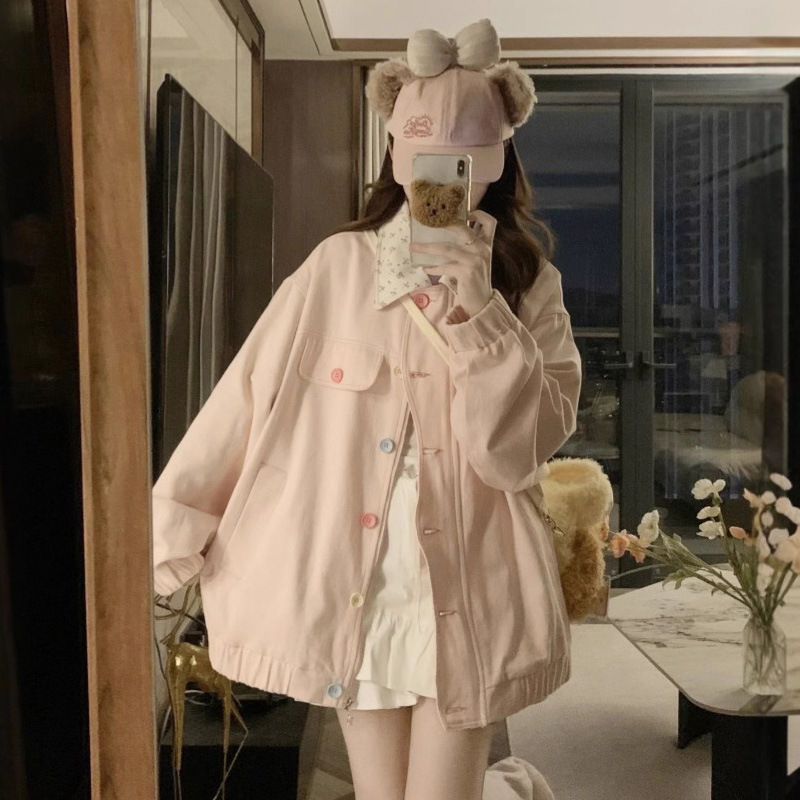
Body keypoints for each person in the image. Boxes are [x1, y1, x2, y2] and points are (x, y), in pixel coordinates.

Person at [151, 18, 582, 800]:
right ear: (397, 159)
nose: (445, 184)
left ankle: (512, 787)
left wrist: (479, 313)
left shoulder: (528, 284)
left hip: (468, 585)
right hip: (356, 582)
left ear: (494, 164)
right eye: (429, 161)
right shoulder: (338, 268)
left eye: (463, 162)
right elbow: (244, 398)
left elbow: (514, 455)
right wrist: (171, 529)